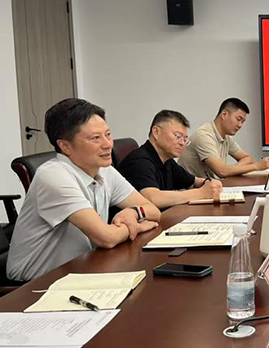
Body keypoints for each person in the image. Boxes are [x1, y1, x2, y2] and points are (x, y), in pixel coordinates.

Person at [7, 99, 161, 282]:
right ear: (65, 146)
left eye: (108, 134)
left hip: (83, 267)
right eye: (95, 138)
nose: (108, 145)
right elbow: (106, 238)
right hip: (35, 283)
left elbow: (153, 211)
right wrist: (136, 226)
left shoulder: (104, 170)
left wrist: (133, 212)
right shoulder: (53, 176)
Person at [118, 110, 224, 209]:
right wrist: (201, 193)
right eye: (177, 136)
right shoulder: (139, 161)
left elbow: (193, 181)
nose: (182, 143)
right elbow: (153, 198)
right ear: (156, 132)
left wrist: (208, 183)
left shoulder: (167, 160)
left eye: (185, 139)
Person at [178, 98, 269, 179]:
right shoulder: (204, 136)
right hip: (191, 190)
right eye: (238, 119)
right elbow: (222, 172)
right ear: (224, 114)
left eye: (243, 122)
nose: (240, 125)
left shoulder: (226, 138)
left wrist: (232, 170)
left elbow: (247, 158)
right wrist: (257, 166)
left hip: (210, 186)